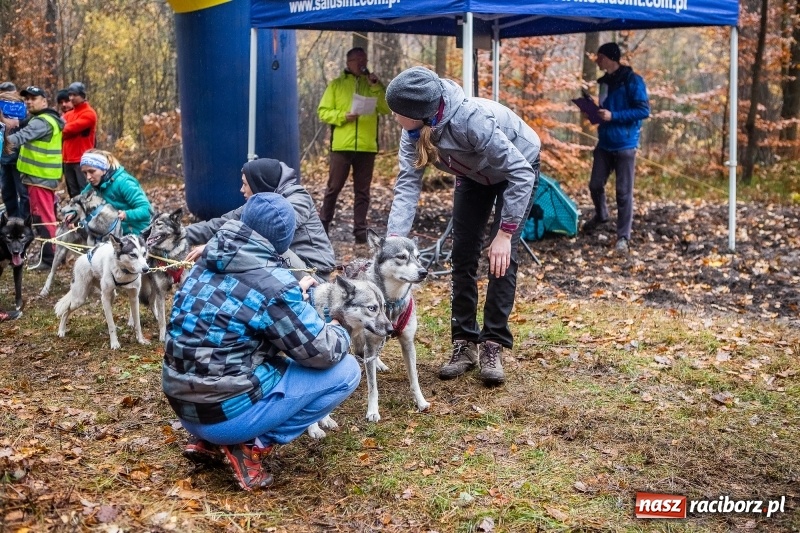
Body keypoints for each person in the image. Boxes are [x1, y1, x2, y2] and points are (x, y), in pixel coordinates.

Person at [162, 192, 360, 491]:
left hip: (183, 407)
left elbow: (238, 313)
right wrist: (340, 325)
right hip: (225, 418)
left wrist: (290, 293)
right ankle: (251, 447)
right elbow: (320, 353)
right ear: (283, 239)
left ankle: (207, 442)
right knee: (347, 371)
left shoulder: (204, 264)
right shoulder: (273, 285)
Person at [384, 66, 541, 387]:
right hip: (473, 176)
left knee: (501, 258)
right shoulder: (413, 132)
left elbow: (521, 173)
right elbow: (407, 183)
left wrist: (505, 233)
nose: (393, 117)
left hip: (518, 167)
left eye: (396, 112)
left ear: (418, 112)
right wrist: (395, 239)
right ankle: (464, 344)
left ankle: (493, 344)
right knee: (462, 255)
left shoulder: (471, 119)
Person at [185, 157, 336, 280]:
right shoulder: (261, 205)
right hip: (289, 267)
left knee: (263, 245)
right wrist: (179, 233)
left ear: (259, 183)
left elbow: (271, 230)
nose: (241, 189)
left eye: (245, 184)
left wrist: (218, 246)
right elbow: (221, 224)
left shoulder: (297, 197)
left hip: (314, 274)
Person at [581, 42, 650, 255]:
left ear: (610, 57)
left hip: (625, 145)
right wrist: (592, 113)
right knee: (595, 185)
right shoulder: (604, 83)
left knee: (623, 192)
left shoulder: (633, 81)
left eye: (600, 57)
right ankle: (601, 214)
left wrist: (614, 116)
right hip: (604, 143)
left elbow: (643, 110)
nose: (597, 61)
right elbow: (604, 110)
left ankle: (623, 237)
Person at [317, 47, 390, 243]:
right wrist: (342, 116)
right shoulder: (336, 85)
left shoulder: (372, 84)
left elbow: (386, 108)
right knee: (333, 188)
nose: (361, 63)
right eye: (357, 60)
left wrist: (376, 86)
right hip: (342, 146)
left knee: (363, 191)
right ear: (348, 63)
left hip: (366, 147)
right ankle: (322, 226)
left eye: (364, 59)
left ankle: (360, 232)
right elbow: (323, 112)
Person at [5, 86, 64, 270]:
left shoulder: (42, 122)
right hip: (38, 177)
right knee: (43, 217)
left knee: (43, 219)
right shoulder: (40, 119)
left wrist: (3, 141)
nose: (29, 101)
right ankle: (51, 256)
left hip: (40, 178)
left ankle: (50, 259)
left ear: (44, 101)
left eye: (33, 98)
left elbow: (22, 136)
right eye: (27, 99)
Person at [79, 149, 152, 235]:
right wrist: (72, 214)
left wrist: (126, 215)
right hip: (112, 232)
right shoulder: (93, 185)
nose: (88, 177)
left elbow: (146, 210)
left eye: (92, 171)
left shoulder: (124, 182)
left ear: (104, 169)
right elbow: (80, 200)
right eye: (85, 173)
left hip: (136, 232)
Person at [62, 82, 97, 198]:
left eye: (74, 95)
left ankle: (88, 215)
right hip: (67, 160)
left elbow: (68, 130)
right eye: (70, 95)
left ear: (82, 95)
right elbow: (58, 132)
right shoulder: (68, 114)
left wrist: (65, 130)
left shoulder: (89, 113)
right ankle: (76, 215)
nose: (71, 98)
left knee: (85, 192)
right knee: (73, 193)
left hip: (82, 160)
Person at [0, 85, 29, 220]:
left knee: (23, 193)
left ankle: (21, 222)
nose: (17, 124)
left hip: (18, 159)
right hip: (5, 160)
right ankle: (12, 220)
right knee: (7, 192)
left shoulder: (22, 112)